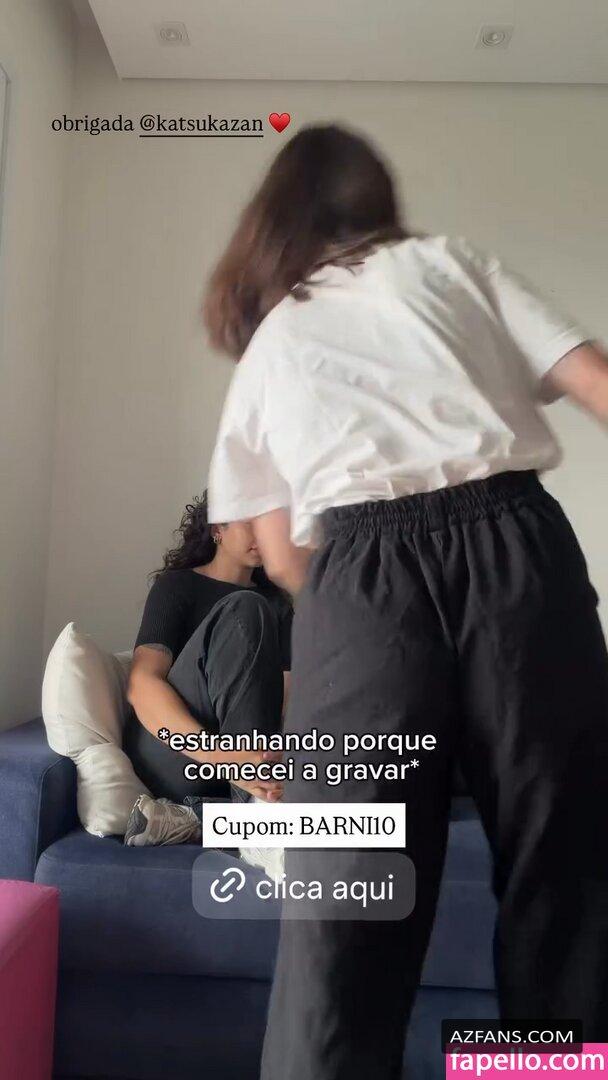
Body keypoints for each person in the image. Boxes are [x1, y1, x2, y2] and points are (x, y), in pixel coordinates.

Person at [202, 122, 608, 1078]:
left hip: (358, 579)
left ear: (275, 222)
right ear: (375, 202)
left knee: (346, 892)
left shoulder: (272, 342)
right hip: (517, 552)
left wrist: (367, 615)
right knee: (562, 871)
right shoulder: (447, 265)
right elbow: (594, 380)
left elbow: (278, 553)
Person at [122, 492, 292, 846]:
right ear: (218, 528)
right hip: (177, 753)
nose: (263, 534)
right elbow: (142, 685)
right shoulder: (177, 587)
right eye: (251, 522)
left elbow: (285, 699)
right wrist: (222, 756)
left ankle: (197, 818)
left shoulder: (279, 604)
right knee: (247, 607)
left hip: (247, 763)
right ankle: (254, 823)